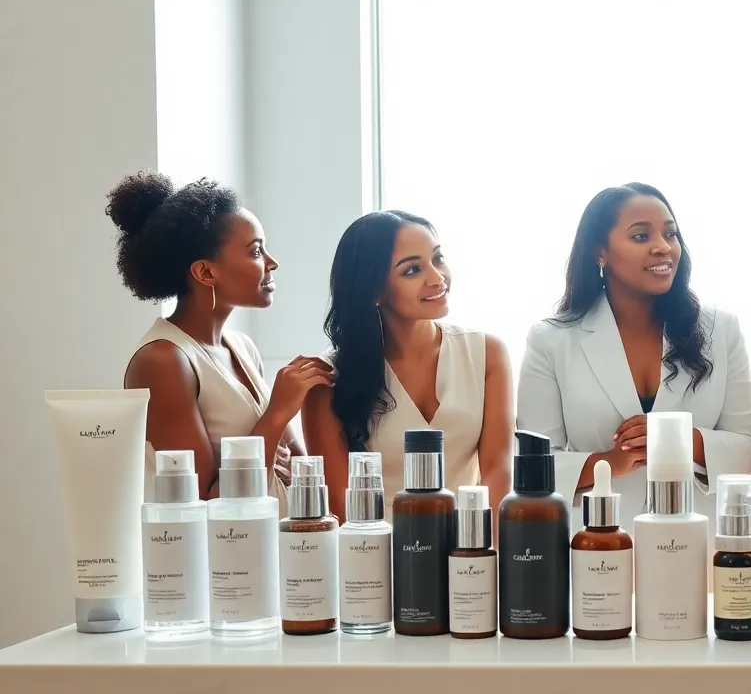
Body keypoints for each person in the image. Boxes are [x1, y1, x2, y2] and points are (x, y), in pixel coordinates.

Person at [517, 183, 751, 535]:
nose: (663, 247)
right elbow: (533, 464)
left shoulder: (721, 329)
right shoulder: (551, 339)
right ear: (600, 252)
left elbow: (747, 447)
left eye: (670, 234)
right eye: (641, 236)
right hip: (597, 541)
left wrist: (677, 439)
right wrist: (607, 463)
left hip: (697, 539)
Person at [115, 171, 326, 504]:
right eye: (256, 252)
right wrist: (278, 411)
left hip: (280, 532)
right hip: (229, 538)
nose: (272, 263)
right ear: (205, 272)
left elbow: (297, 469)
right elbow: (203, 504)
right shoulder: (163, 361)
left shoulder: (242, 347)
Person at [302, 210, 514, 521]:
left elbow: (498, 471)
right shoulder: (328, 381)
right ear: (374, 291)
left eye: (438, 258)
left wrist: (476, 545)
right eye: (412, 269)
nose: (437, 278)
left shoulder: (487, 354)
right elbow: (340, 505)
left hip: (472, 541)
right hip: (375, 545)